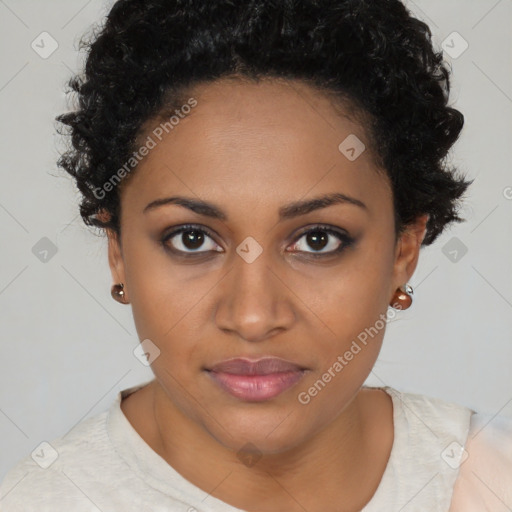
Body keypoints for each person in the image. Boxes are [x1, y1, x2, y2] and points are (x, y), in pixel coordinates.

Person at [1, 0, 511, 510]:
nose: (252, 317)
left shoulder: (491, 480)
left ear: (404, 249)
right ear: (118, 252)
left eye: (317, 239)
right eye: (192, 239)